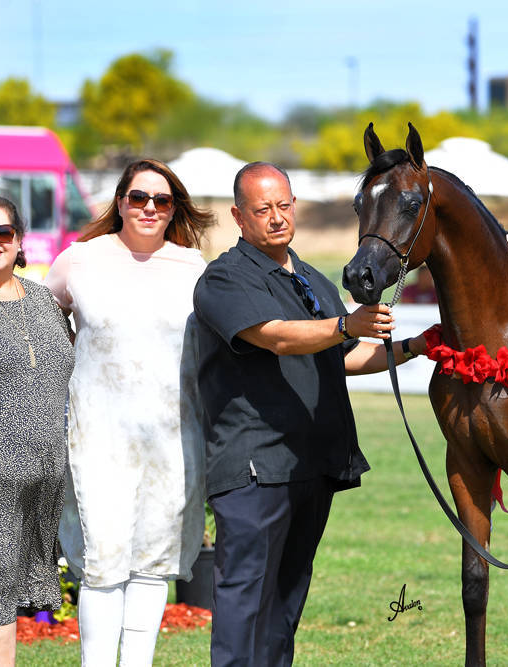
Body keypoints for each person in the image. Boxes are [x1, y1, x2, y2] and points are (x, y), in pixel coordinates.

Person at [192, 162, 429, 666]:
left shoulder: (311, 278)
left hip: (311, 467)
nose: (277, 217)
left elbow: (343, 358)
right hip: (255, 470)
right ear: (238, 216)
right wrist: (345, 324)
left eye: (284, 205)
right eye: (262, 209)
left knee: (285, 605)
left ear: (295, 206)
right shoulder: (224, 278)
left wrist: (415, 346)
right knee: (244, 601)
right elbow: (276, 336)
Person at [44, 159, 215, 666]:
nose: (149, 208)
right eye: (138, 197)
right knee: (103, 563)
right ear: (120, 201)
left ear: (174, 209)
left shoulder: (194, 268)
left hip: (174, 440)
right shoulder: (79, 260)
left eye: (162, 200)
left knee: (153, 565)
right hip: (97, 439)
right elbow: (45, 326)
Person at [0, 195, 74, 667]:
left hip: (41, 479)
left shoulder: (42, 300)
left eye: (3, 232)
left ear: (19, 240)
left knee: (3, 591)